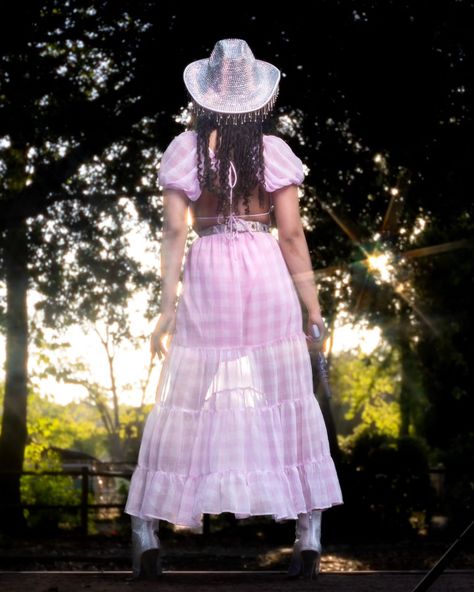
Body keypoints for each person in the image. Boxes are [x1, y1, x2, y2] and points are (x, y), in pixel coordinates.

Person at [124, 38, 343, 581]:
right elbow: (291, 235)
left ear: (205, 99)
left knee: (186, 400)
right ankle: (308, 532)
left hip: (210, 273)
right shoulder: (271, 152)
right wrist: (312, 307)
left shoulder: (185, 150)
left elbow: (176, 231)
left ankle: (146, 530)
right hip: (266, 273)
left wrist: (166, 308)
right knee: (286, 394)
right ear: (257, 100)